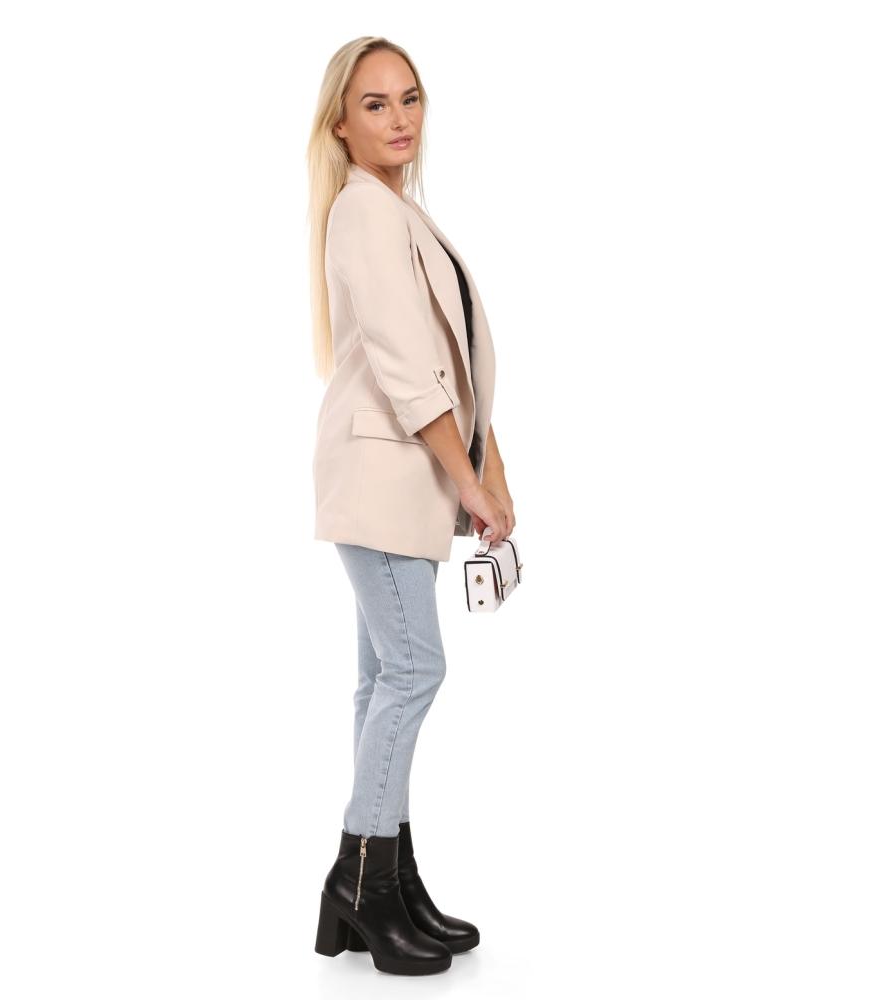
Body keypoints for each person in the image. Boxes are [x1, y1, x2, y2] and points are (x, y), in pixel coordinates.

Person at [307, 37, 516, 976]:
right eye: (376, 104)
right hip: (383, 477)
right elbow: (404, 365)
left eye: (411, 99)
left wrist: (492, 462)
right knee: (414, 671)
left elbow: (453, 358)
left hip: (401, 480)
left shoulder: (398, 210)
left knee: (381, 680)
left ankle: (387, 881)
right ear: (340, 124)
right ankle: (363, 880)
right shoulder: (362, 210)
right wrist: (466, 480)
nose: (400, 119)